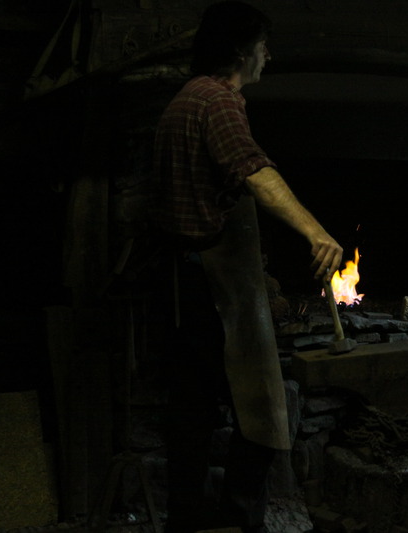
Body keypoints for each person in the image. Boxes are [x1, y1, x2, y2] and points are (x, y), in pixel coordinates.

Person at [150, 2, 343, 531]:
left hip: (185, 282)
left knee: (192, 413)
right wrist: (316, 232)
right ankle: (241, 520)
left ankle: (186, 520)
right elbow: (253, 170)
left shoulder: (187, 98)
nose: (269, 55)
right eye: (263, 46)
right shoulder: (217, 100)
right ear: (242, 51)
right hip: (209, 286)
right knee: (260, 409)